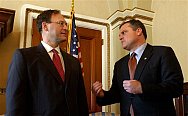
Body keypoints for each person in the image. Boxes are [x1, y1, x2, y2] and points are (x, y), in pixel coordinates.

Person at [92, 19, 183, 116]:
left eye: (124, 32)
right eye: (119, 35)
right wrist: (102, 94)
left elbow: (176, 87)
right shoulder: (119, 64)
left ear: (138, 31)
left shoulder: (162, 53)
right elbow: (117, 94)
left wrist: (142, 88)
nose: (120, 37)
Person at [6, 10, 89, 116]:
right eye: (61, 23)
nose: (65, 28)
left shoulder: (73, 62)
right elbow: (15, 104)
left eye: (65, 24)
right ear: (45, 26)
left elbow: (81, 101)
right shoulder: (24, 57)